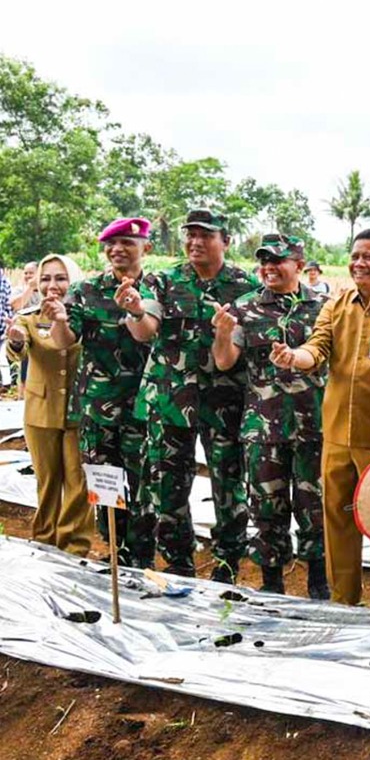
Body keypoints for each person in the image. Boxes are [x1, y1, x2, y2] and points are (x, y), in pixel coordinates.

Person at [270, 228, 370, 611]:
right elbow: (317, 348)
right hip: (337, 437)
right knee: (338, 523)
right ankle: (344, 604)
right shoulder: (336, 306)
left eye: (369, 257)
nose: (359, 263)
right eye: (355, 255)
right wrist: (294, 357)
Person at [125, 209, 258, 580]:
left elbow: (239, 349)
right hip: (169, 400)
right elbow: (146, 329)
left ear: (225, 241)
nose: (196, 242)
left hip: (224, 402)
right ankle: (178, 562)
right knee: (168, 485)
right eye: (191, 235)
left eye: (206, 235)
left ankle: (227, 564)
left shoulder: (245, 286)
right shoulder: (164, 281)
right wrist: (135, 311)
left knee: (229, 485)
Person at [211, 235, 329, 598]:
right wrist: (222, 334)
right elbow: (224, 361)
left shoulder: (324, 308)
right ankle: (272, 584)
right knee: (266, 509)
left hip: (314, 424)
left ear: (299, 264)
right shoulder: (245, 308)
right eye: (264, 261)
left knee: (315, 507)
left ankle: (319, 582)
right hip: (263, 427)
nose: (269, 268)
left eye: (277, 261)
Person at [51, 217, 158, 569]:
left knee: (143, 484)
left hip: (145, 407)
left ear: (146, 247)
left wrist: (136, 309)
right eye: (111, 244)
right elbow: (65, 341)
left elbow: (151, 334)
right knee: (106, 483)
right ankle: (116, 551)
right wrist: (60, 320)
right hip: (98, 408)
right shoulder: (86, 290)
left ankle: (141, 557)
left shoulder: (158, 288)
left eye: (127, 242)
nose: (117, 249)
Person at [5, 255, 94, 556]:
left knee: (79, 483)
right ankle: (44, 542)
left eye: (60, 278)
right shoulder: (29, 317)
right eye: (45, 278)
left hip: (79, 412)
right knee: (47, 481)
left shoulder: (87, 315)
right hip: (40, 410)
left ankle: (74, 547)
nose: (52, 285)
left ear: (74, 280)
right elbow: (17, 351)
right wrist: (16, 341)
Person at [11, 262, 38, 399]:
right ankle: (23, 397)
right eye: (25, 273)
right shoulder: (19, 289)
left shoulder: (46, 290)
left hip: (43, 336)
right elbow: (17, 306)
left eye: (31, 273)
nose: (27, 275)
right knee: (24, 367)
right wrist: (30, 288)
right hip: (24, 336)